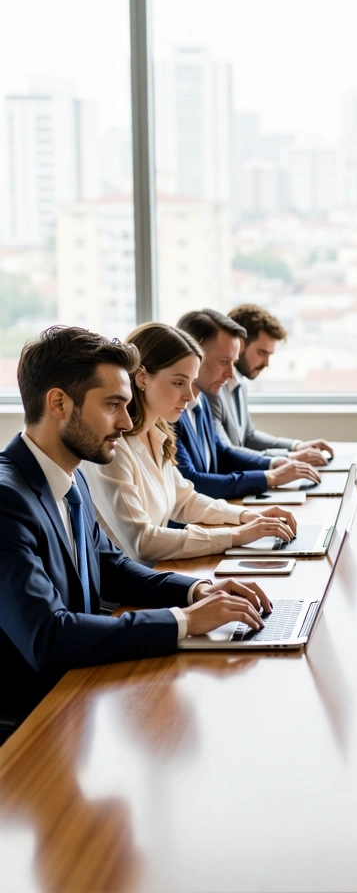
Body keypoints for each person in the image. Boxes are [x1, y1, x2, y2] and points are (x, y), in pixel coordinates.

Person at [0, 327, 274, 731]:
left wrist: (198, 591)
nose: (127, 422)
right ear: (58, 402)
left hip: (81, 690)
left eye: (128, 405)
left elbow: (110, 565)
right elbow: (49, 635)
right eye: (113, 405)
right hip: (34, 719)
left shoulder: (67, 476)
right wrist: (185, 621)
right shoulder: (8, 501)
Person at [85, 322, 299, 562]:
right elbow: (141, 542)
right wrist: (234, 535)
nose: (189, 396)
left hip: (161, 572)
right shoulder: (114, 448)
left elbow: (184, 499)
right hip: (132, 592)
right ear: (142, 377)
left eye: (191, 381)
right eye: (178, 383)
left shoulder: (157, 434)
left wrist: (247, 516)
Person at [174, 308, 321, 499]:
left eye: (232, 362)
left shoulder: (200, 400)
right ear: (192, 355)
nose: (230, 374)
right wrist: (270, 477)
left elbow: (223, 452)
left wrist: (275, 463)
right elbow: (192, 483)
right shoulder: (172, 411)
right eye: (223, 361)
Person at [205, 303, 333, 466]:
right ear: (239, 345)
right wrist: (287, 459)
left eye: (269, 355)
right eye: (261, 353)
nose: (266, 363)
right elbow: (227, 452)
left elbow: (248, 437)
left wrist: (296, 447)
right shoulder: (212, 389)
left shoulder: (239, 385)